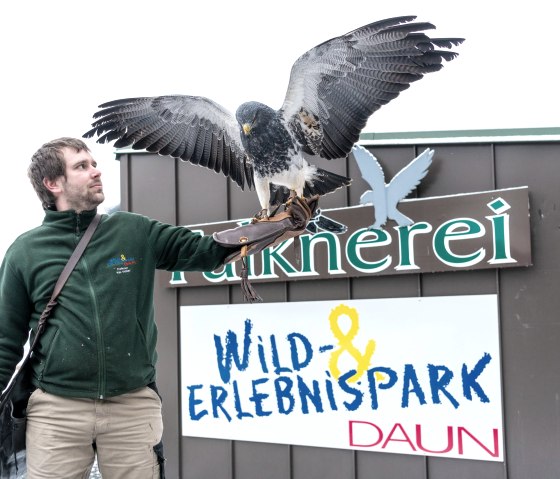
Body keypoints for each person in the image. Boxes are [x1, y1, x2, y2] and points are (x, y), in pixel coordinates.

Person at [0, 137, 316, 478]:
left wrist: (279, 225)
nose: (96, 171)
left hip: (131, 406)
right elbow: (6, 341)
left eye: (94, 163)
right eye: (81, 166)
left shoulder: (134, 231)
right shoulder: (25, 252)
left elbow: (208, 251)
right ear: (53, 183)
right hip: (56, 410)